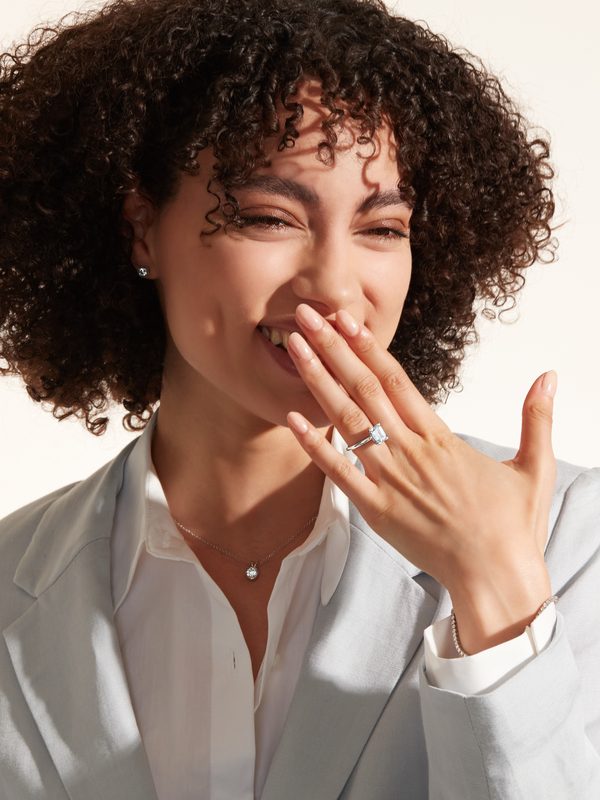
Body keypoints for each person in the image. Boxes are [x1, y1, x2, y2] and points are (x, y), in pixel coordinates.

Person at [0, 0, 598, 797]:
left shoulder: (567, 541)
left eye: (382, 228)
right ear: (141, 229)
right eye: (268, 217)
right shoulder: (13, 582)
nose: (334, 289)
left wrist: (495, 594)